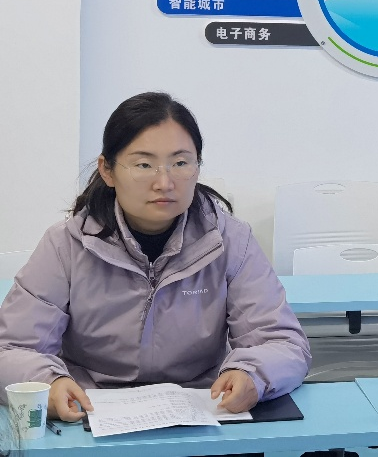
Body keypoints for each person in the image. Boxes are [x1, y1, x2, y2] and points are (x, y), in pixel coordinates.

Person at [0, 92, 311, 422]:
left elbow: (283, 343)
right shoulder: (66, 245)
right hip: (89, 410)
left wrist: (254, 376)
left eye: (180, 163)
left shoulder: (231, 240)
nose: (164, 183)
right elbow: (11, 349)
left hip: (202, 410)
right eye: (144, 165)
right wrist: (49, 384)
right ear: (107, 170)